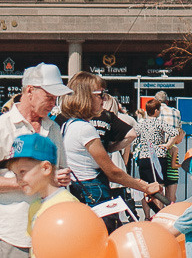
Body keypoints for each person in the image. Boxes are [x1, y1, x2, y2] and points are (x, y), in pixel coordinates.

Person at [0, 64, 70, 257]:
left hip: (50, 230)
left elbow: (59, 170)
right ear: (30, 91)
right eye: (49, 97)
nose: (53, 103)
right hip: (15, 233)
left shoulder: (53, 128)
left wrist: (61, 177)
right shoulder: (1, 128)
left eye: (55, 98)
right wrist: (23, 182)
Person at [59, 72, 159, 230]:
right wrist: (144, 187)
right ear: (86, 96)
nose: (104, 99)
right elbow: (113, 172)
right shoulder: (85, 129)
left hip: (80, 191)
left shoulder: (68, 125)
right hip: (95, 193)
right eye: (100, 94)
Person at [0, 136, 75, 231]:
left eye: (22, 171)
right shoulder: (34, 206)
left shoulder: (66, 204)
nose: (18, 180)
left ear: (46, 168)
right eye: (15, 174)